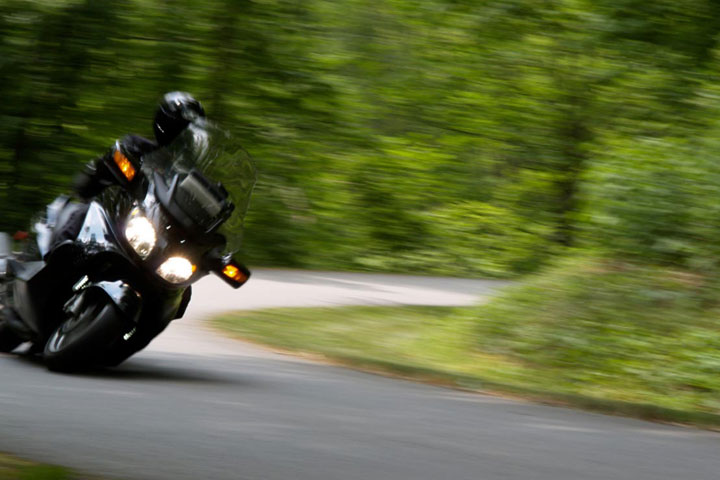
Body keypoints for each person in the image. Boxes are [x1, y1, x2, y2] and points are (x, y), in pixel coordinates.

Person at [52, 92, 206, 247]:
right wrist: (129, 172)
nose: (183, 134)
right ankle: (59, 252)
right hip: (117, 213)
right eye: (181, 128)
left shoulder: (185, 173)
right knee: (92, 209)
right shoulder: (136, 145)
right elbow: (112, 161)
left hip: (148, 232)